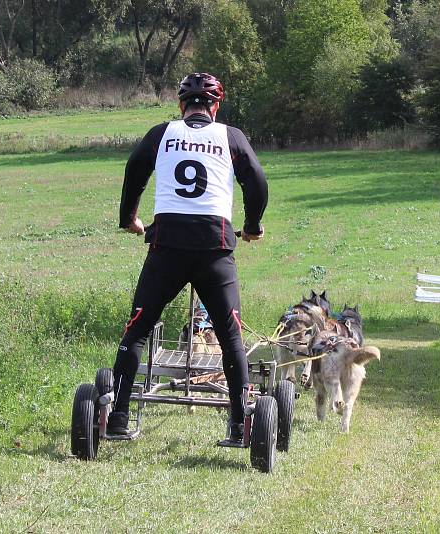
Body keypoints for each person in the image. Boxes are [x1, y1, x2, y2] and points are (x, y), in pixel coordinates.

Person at [107, 72, 268, 447]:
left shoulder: (162, 133)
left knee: (137, 330)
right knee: (230, 337)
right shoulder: (230, 136)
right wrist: (253, 225)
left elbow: (134, 169)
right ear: (215, 105)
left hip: (167, 245)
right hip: (215, 245)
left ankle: (116, 416)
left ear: (181, 106)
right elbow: (256, 180)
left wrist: (129, 217)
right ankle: (238, 424)